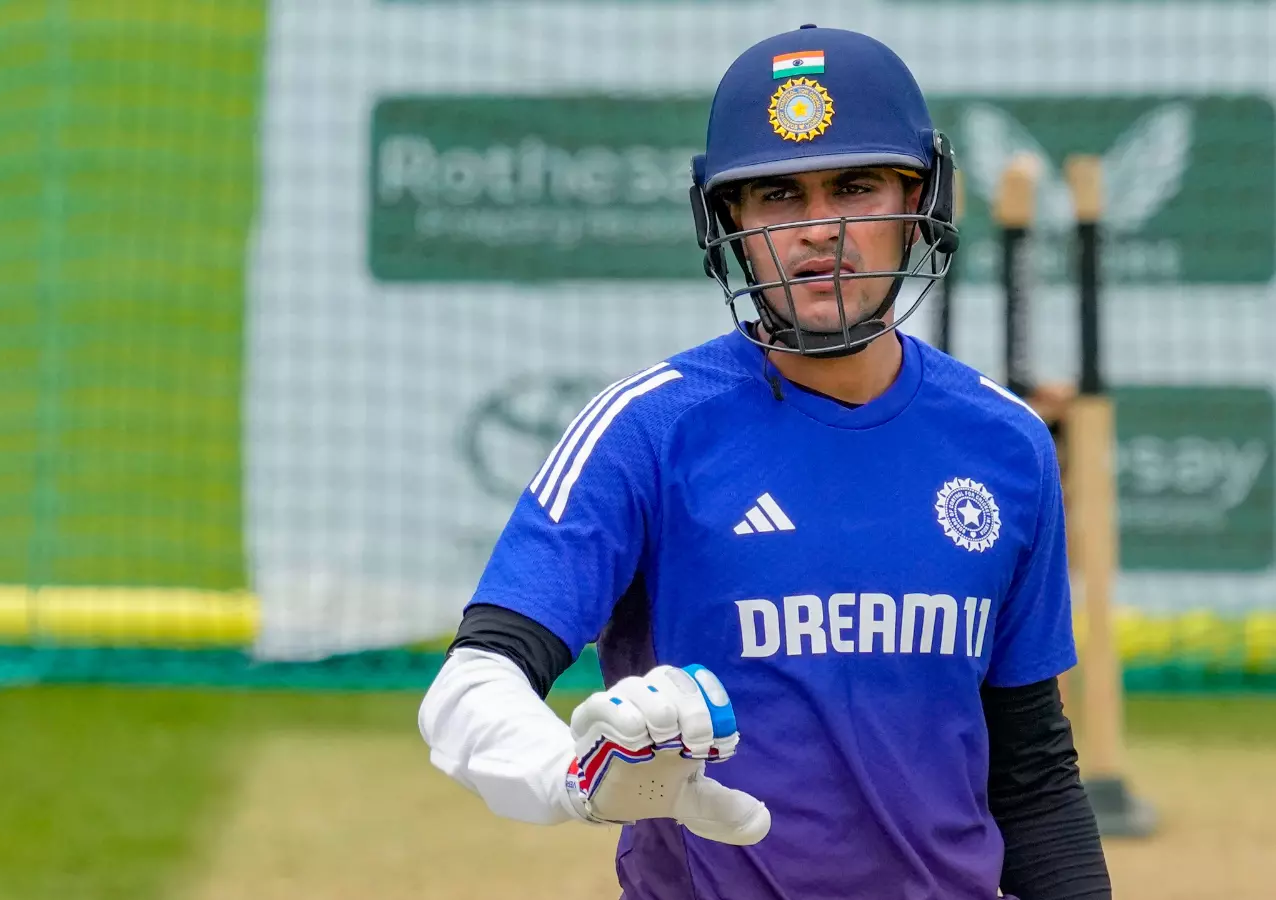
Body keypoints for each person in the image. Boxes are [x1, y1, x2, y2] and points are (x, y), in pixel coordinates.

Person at [419, 24, 1113, 900]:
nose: (820, 230)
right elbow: (471, 685)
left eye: (855, 187)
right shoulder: (648, 430)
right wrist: (576, 776)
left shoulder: (1007, 442)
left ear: (919, 199)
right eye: (779, 195)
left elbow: (1033, 773)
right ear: (731, 224)